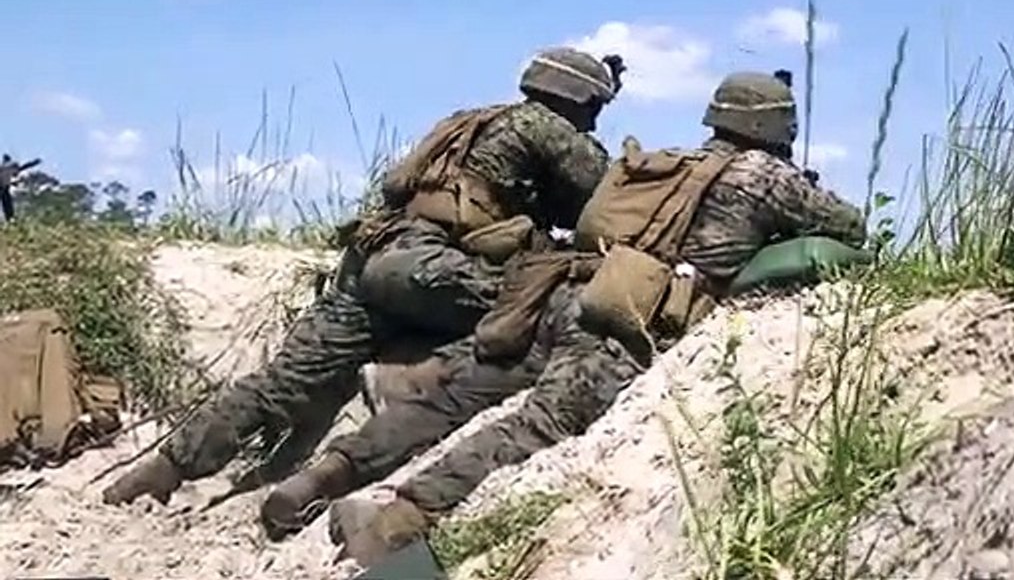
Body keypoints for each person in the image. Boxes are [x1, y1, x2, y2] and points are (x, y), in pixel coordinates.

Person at [329, 69, 868, 567]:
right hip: (625, 321)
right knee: (539, 426)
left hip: (565, 294)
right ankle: (395, 528)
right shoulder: (767, 176)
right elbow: (850, 227)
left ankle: (332, 472)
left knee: (456, 395)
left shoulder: (672, 158)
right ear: (776, 125)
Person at [101, 47, 625, 517]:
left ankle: (163, 469)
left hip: (371, 261)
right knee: (535, 311)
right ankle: (402, 382)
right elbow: (608, 202)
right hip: (432, 267)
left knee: (286, 382)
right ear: (577, 100)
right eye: (595, 107)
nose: (595, 120)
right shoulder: (548, 128)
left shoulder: (470, 123)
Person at [0, 154, 42, 222]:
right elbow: (23, 167)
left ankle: (10, 218)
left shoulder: (5, 167)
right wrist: (33, 163)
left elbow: (22, 168)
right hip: (3, 188)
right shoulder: (9, 167)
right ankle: (10, 218)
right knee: (7, 203)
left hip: (4, 188)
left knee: (7, 203)